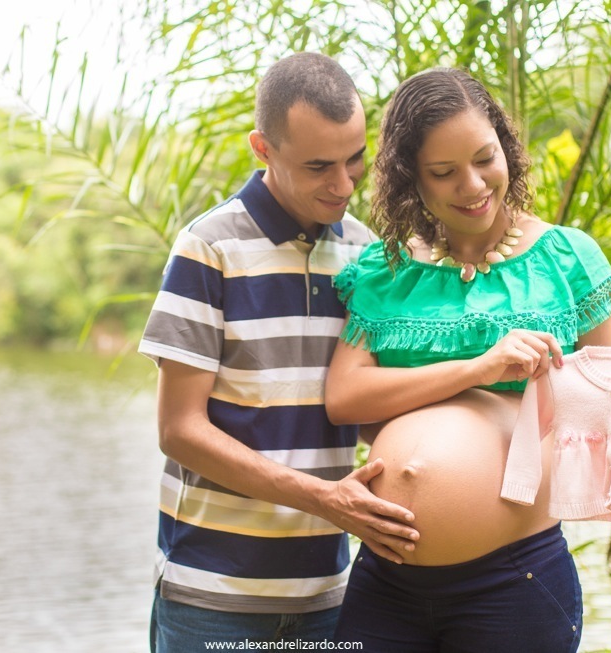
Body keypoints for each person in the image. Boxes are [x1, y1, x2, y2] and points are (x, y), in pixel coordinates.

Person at [324, 67, 611, 652]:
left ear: (506, 147)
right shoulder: (384, 269)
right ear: (409, 177)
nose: (472, 185)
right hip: (384, 583)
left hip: (511, 582)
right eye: (443, 172)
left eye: (484, 159)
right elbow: (344, 399)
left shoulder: (567, 259)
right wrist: (480, 368)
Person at [137, 52, 420, 653]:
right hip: (212, 600)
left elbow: (373, 408)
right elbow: (179, 430)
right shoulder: (207, 249)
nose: (344, 185)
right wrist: (325, 499)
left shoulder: (368, 255)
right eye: (318, 166)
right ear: (262, 149)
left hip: (328, 597)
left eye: (354, 158)